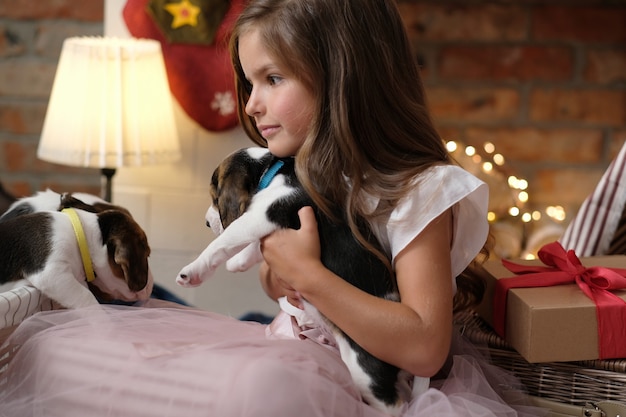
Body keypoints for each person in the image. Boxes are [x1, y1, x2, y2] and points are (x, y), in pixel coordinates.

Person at [0, 1, 545, 416]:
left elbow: (425, 347)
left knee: (263, 390)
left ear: (342, 77)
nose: (252, 103)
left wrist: (308, 274)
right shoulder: (299, 176)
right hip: (285, 345)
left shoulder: (418, 192)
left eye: (272, 79)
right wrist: (279, 278)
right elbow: (277, 285)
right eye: (248, 81)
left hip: (372, 382)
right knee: (73, 353)